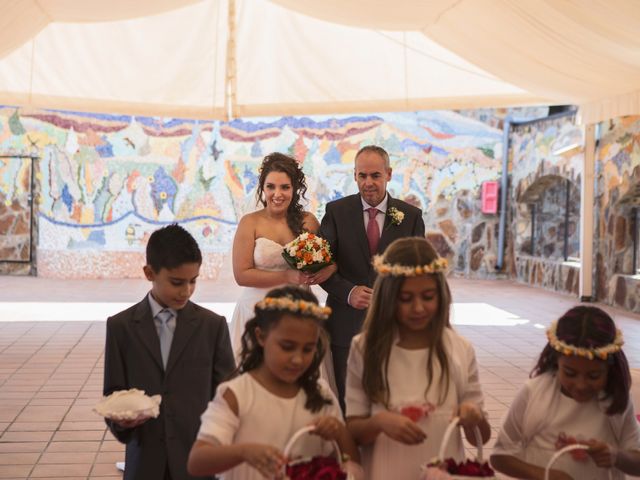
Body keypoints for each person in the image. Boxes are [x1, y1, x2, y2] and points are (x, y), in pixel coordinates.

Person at [345, 237, 490, 480]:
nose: (418, 308)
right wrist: (379, 422)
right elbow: (353, 430)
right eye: (406, 298)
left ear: (441, 295)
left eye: (428, 296)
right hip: (385, 471)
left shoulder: (459, 349)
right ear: (388, 297)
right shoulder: (365, 348)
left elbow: (480, 437)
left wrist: (473, 416)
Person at [103, 224, 235, 480]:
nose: (186, 291)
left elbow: (225, 395)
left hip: (197, 460)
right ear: (149, 273)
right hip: (145, 461)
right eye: (177, 282)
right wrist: (121, 421)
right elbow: (113, 393)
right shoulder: (121, 327)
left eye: (193, 281)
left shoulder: (212, 326)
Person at [187, 286, 359, 480]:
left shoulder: (321, 393)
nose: (297, 359)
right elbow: (197, 461)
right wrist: (243, 452)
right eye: (287, 347)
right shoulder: (237, 393)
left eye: (307, 349)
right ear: (261, 336)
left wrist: (339, 432)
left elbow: (351, 462)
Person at [319, 145, 425, 408]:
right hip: (345, 324)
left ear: (389, 174)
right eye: (362, 176)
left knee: (392, 398)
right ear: (354, 176)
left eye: (375, 175)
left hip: (395, 326)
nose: (368, 183)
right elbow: (320, 267)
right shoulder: (336, 212)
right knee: (347, 401)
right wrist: (348, 292)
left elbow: (419, 273)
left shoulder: (411, 217)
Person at [490, 306, 640, 480]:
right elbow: (499, 457)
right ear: (556, 362)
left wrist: (616, 456)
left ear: (609, 369)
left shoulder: (615, 402)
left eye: (594, 376)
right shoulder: (535, 393)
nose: (581, 385)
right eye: (570, 373)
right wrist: (545, 475)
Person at [230, 152, 336, 356]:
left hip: (300, 310)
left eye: (285, 187)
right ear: (262, 187)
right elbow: (241, 275)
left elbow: (327, 260)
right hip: (255, 311)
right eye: (271, 187)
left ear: (295, 189)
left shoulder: (309, 221)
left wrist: (328, 269)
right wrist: (287, 276)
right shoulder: (249, 222)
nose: (277, 194)